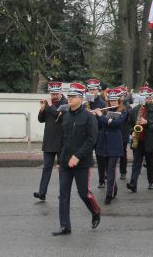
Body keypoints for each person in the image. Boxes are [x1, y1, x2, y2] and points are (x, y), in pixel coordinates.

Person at [52, 83, 100, 236]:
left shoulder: (89, 116)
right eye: (69, 96)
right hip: (66, 161)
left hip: (82, 163)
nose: (70, 99)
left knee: (83, 193)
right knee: (63, 194)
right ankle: (65, 226)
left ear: (81, 98)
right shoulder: (65, 115)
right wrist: (60, 160)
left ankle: (96, 211)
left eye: (73, 96)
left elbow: (91, 140)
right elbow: (63, 140)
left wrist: (78, 156)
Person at [34, 82, 68, 201]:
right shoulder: (49, 104)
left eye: (56, 93)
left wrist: (49, 105)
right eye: (52, 93)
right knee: (46, 168)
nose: (54, 95)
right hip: (49, 140)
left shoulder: (65, 103)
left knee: (62, 169)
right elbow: (40, 119)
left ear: (60, 92)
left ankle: (63, 193)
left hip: (61, 141)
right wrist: (42, 109)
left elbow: (60, 115)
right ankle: (42, 192)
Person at [94, 88, 127, 204]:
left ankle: (109, 195)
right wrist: (94, 115)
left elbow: (115, 124)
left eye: (115, 101)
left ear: (119, 100)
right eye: (111, 101)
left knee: (111, 170)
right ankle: (114, 189)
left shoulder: (123, 111)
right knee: (108, 171)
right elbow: (99, 125)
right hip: (103, 143)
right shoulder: (104, 110)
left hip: (115, 143)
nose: (113, 103)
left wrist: (101, 116)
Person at [126, 86, 153, 192]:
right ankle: (133, 183)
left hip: (149, 139)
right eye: (143, 97)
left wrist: (147, 122)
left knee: (150, 162)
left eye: (147, 98)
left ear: (150, 98)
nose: (145, 100)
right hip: (138, 139)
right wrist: (132, 131)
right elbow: (130, 124)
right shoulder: (136, 109)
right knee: (136, 163)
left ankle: (151, 181)